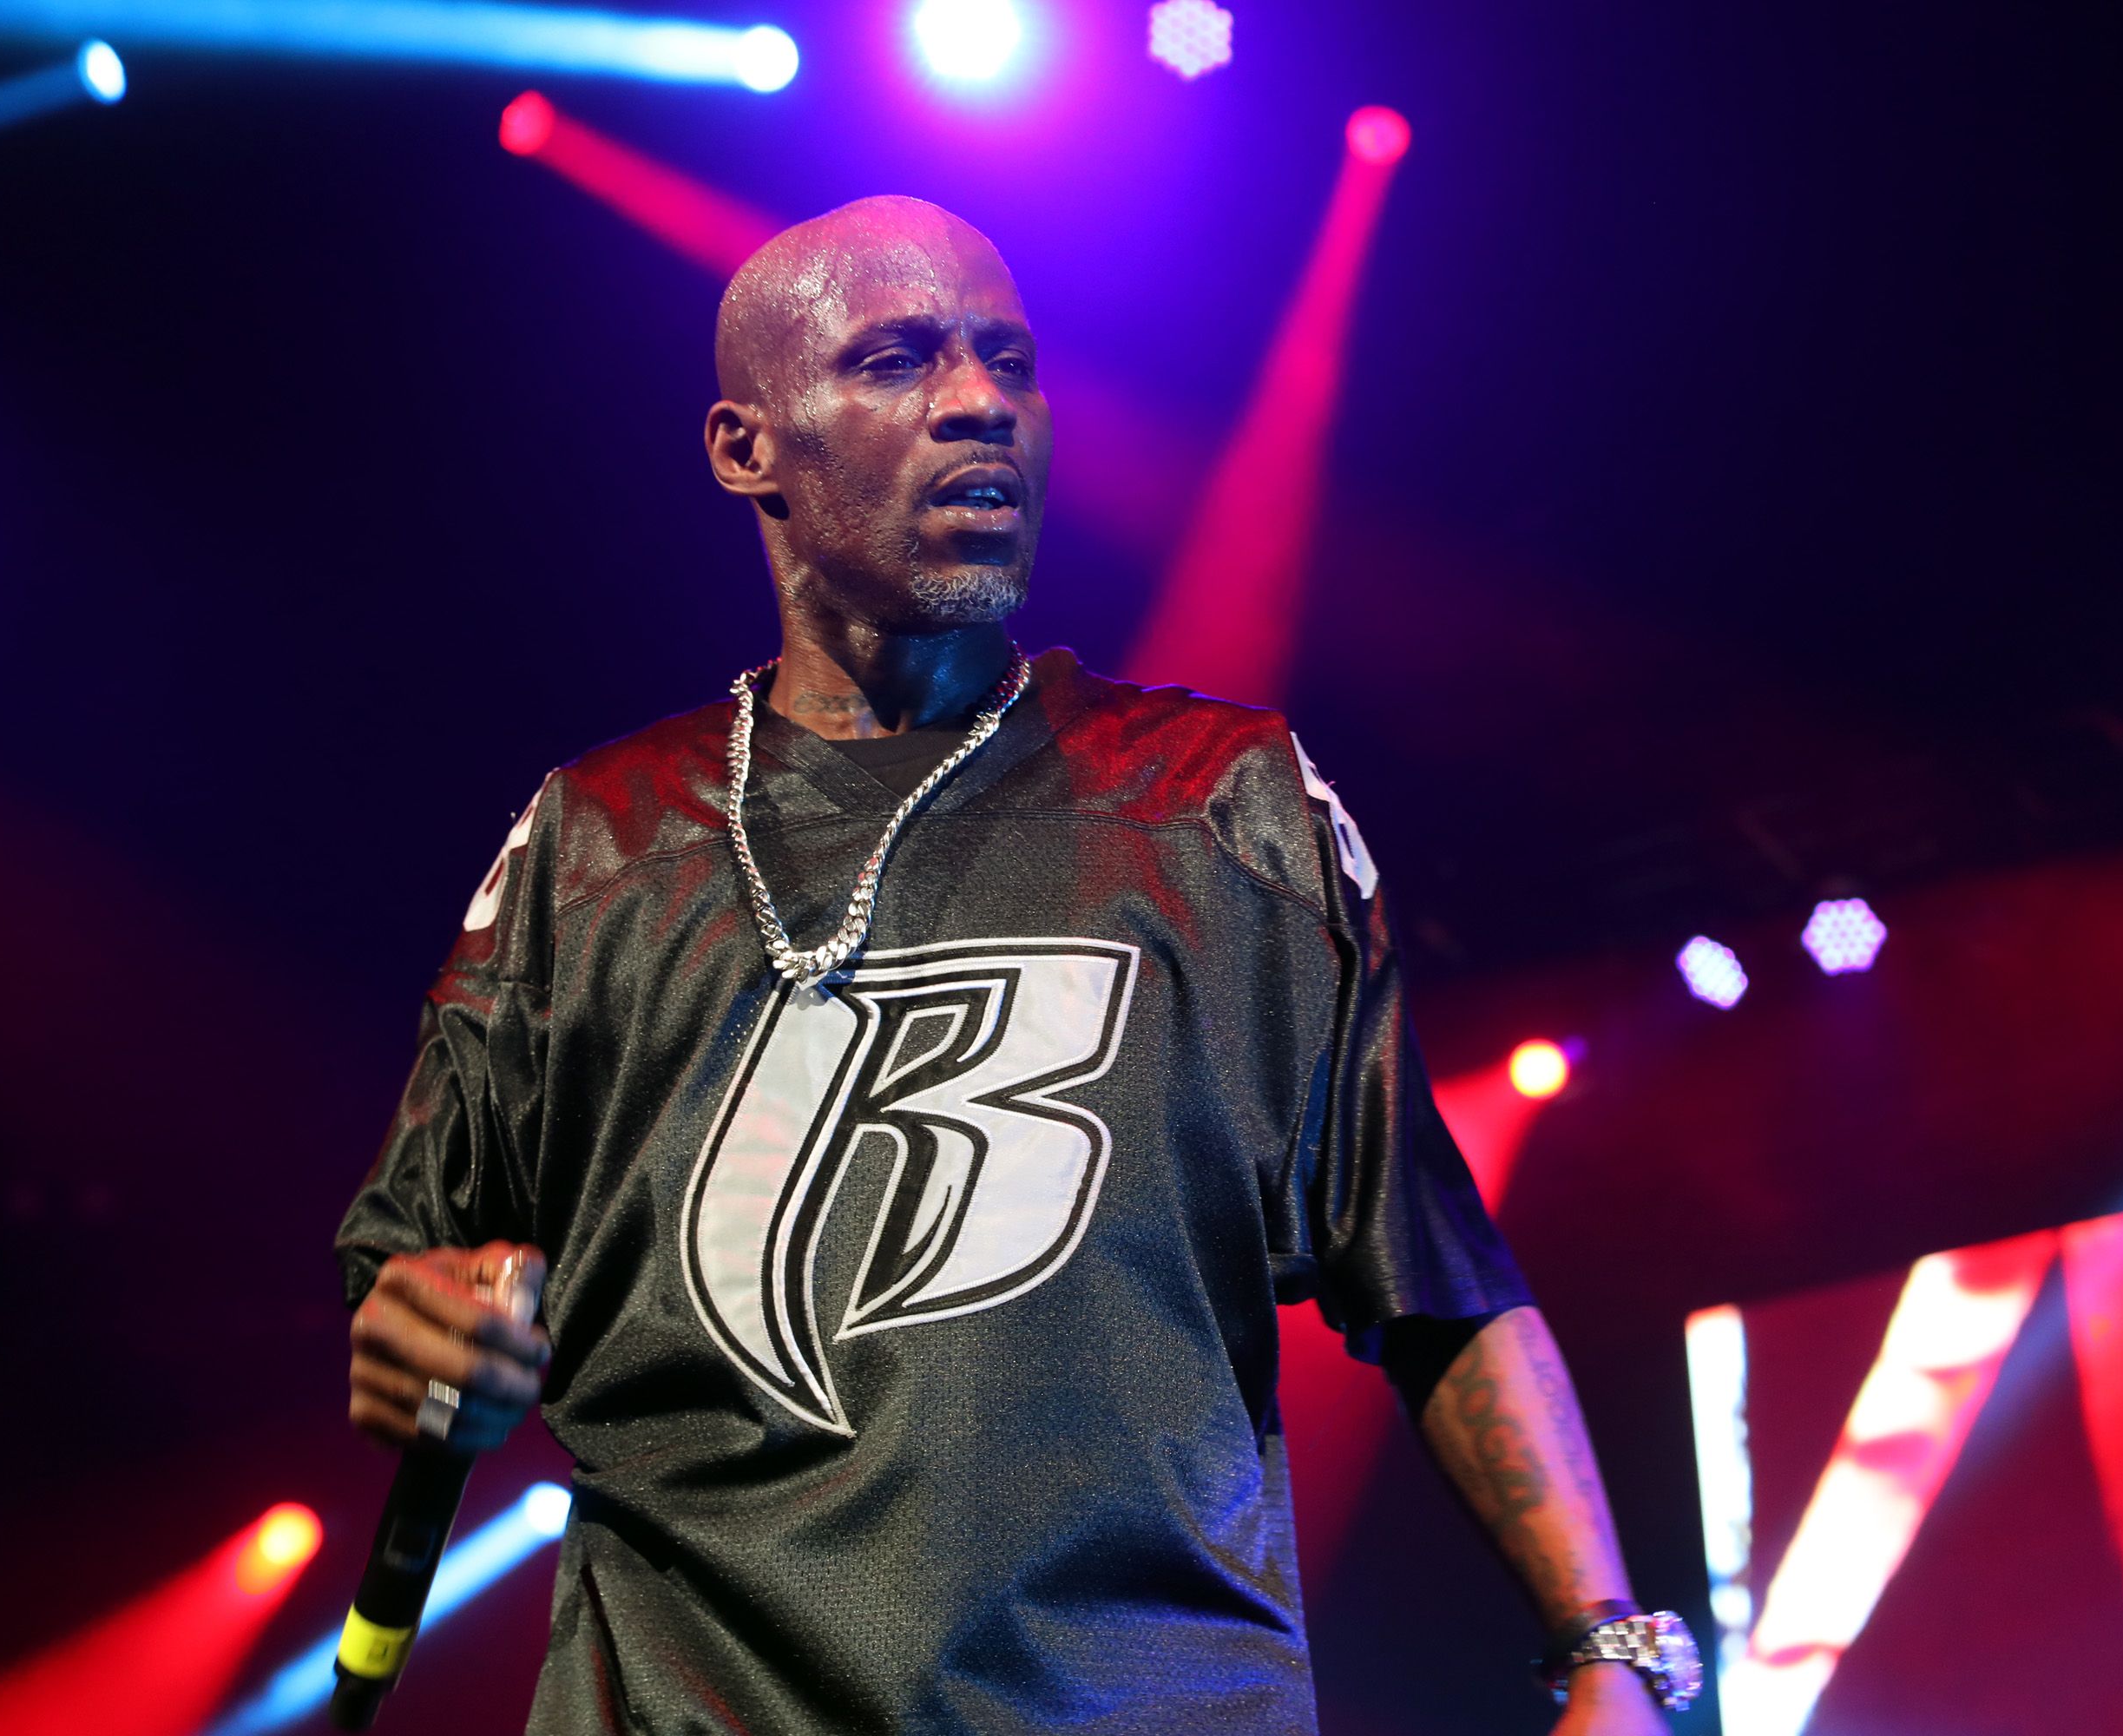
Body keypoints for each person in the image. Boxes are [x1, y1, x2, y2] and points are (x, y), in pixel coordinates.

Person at [337, 195, 1692, 1734]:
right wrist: (420, 1327)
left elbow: (1435, 1278)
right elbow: (415, 1259)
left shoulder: (1221, 807)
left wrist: (1608, 1651)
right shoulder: (594, 846)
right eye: (899, 358)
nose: (980, 401)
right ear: (746, 448)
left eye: (1010, 363)